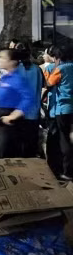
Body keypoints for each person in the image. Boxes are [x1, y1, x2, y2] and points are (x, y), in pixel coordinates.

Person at [0, 49, 35, 159]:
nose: (0, 60)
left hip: (11, 120)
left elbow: (29, 98)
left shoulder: (18, 79)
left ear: (12, 62)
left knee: (6, 154)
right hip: (1, 116)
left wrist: (13, 116)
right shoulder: (5, 77)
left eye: (3, 58)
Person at [46, 46, 73, 179]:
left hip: (62, 108)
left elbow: (49, 83)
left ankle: (66, 170)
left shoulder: (60, 69)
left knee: (63, 139)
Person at [15, 42, 43, 157]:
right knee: (31, 144)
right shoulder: (37, 69)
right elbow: (40, 87)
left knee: (19, 145)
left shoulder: (15, 69)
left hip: (18, 112)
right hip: (33, 111)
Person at [43, 47, 62, 176]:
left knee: (53, 137)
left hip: (54, 108)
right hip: (64, 108)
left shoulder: (50, 69)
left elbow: (46, 86)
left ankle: (53, 166)